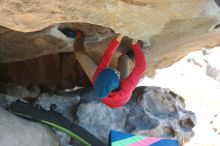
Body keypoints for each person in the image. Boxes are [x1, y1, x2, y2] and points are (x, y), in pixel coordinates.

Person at [75, 34, 147, 108]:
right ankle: (131, 53)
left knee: (80, 56)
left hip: (107, 93)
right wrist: (135, 45)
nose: (116, 71)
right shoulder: (126, 88)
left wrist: (117, 40)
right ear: (119, 81)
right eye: (116, 73)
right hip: (122, 99)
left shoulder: (97, 79)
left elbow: (106, 57)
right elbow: (141, 67)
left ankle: (78, 39)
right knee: (124, 58)